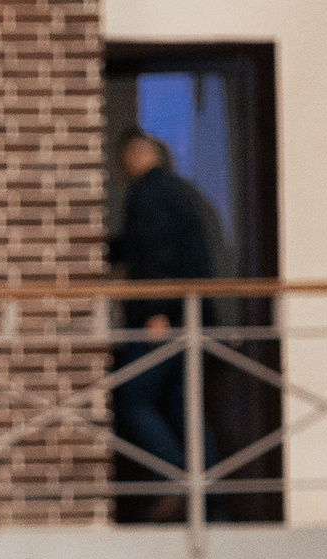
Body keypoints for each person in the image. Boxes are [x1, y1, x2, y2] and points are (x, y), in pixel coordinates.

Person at [107, 129, 217, 522]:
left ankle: (177, 479)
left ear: (134, 156)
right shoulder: (178, 191)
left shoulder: (147, 194)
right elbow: (148, 247)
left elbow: (156, 253)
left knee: (130, 398)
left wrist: (156, 310)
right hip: (193, 319)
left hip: (165, 321)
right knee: (186, 408)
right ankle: (210, 503)